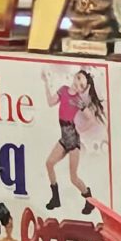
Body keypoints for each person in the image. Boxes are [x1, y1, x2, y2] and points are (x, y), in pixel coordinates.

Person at [45, 68, 103, 214]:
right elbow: (51, 102)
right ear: (75, 76)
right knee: (49, 163)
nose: (78, 85)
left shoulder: (78, 100)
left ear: (83, 90)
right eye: (78, 79)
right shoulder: (63, 90)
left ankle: (89, 199)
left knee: (73, 177)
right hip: (64, 137)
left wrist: (80, 129)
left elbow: (91, 119)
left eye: (82, 85)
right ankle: (55, 198)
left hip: (73, 140)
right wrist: (46, 83)